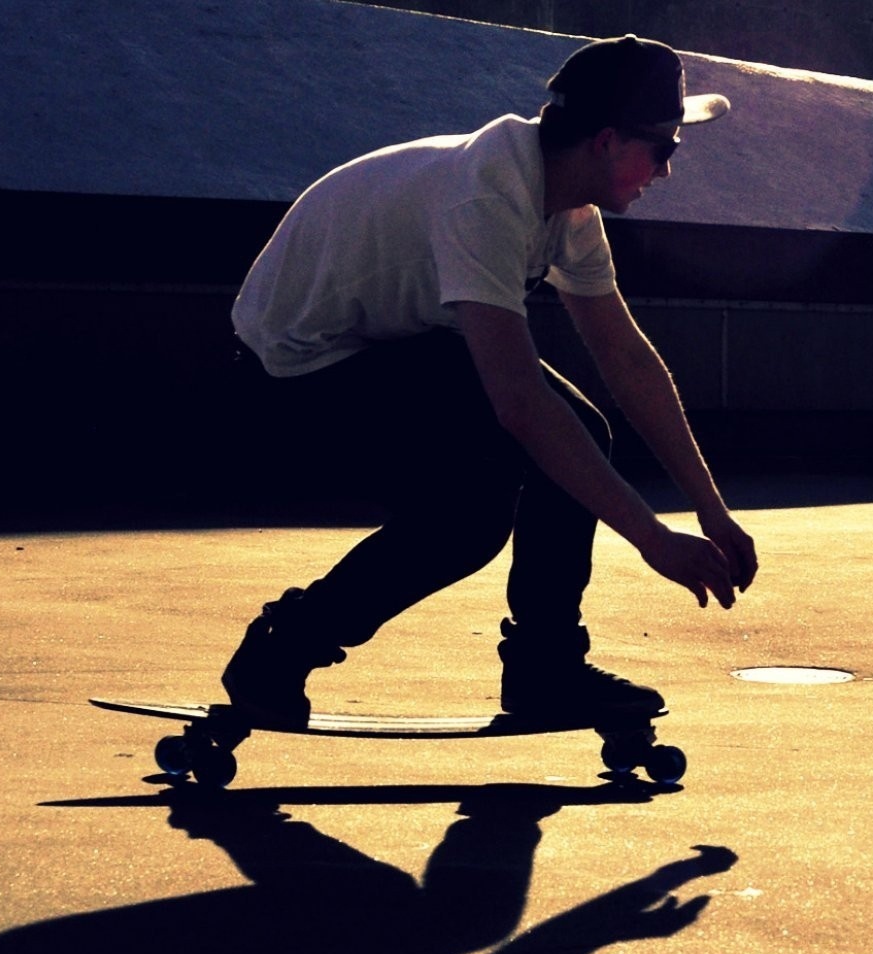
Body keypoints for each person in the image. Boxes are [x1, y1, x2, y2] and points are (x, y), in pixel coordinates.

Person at [220, 35, 758, 728]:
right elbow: (520, 407)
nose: (666, 172)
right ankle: (280, 651)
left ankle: (545, 666)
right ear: (604, 140)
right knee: (469, 515)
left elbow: (625, 358)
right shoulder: (486, 198)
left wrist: (710, 510)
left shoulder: (569, 210)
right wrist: (653, 539)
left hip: (387, 339)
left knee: (580, 433)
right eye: (664, 149)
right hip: (290, 364)